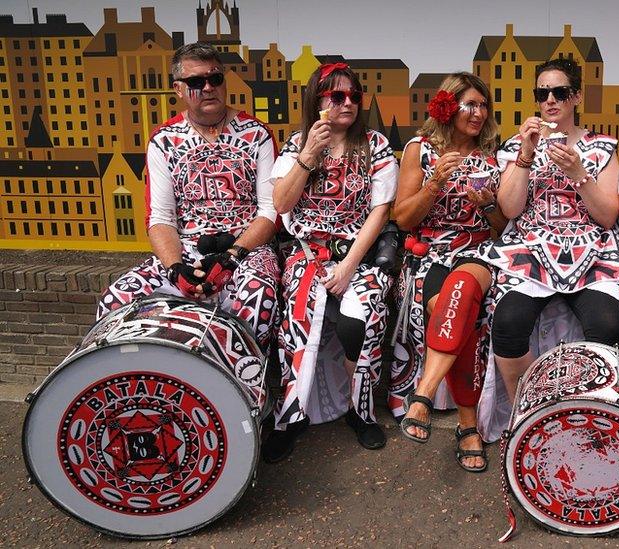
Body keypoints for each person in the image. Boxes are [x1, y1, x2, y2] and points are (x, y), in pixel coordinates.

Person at [96, 42, 279, 350]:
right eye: (196, 82)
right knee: (117, 300)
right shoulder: (163, 141)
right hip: (188, 249)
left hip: (246, 250)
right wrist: (176, 268)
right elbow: (160, 217)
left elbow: (269, 211)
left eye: (215, 78)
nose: (208, 87)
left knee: (258, 297)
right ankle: (147, 379)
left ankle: (238, 386)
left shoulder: (257, 134)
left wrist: (232, 257)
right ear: (178, 89)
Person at [263, 63, 399, 462]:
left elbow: (380, 211)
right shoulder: (296, 145)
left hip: (359, 255)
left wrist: (350, 265)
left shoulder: (374, 145)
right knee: (295, 330)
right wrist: (308, 156)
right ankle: (289, 418)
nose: (347, 103)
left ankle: (361, 412)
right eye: (336, 96)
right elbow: (282, 204)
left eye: (354, 96)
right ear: (317, 101)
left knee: (360, 323)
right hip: (308, 255)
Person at [485, 57, 619, 401]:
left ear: (576, 97)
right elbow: (510, 209)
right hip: (531, 248)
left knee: (607, 323)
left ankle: (591, 412)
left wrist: (579, 174)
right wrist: (525, 153)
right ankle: (529, 410)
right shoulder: (518, 145)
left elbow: (609, 216)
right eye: (543, 93)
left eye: (560, 92)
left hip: (591, 249)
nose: (550, 100)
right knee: (507, 323)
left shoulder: (602, 147)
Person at [391, 72, 505, 472]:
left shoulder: (496, 154)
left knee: (461, 287)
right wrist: (434, 182)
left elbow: (505, 227)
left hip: (479, 250)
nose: (478, 113)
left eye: (483, 105)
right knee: (456, 308)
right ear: (448, 105)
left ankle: (422, 394)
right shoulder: (419, 150)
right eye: (469, 104)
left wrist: (490, 205)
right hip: (429, 252)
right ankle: (467, 426)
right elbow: (403, 219)